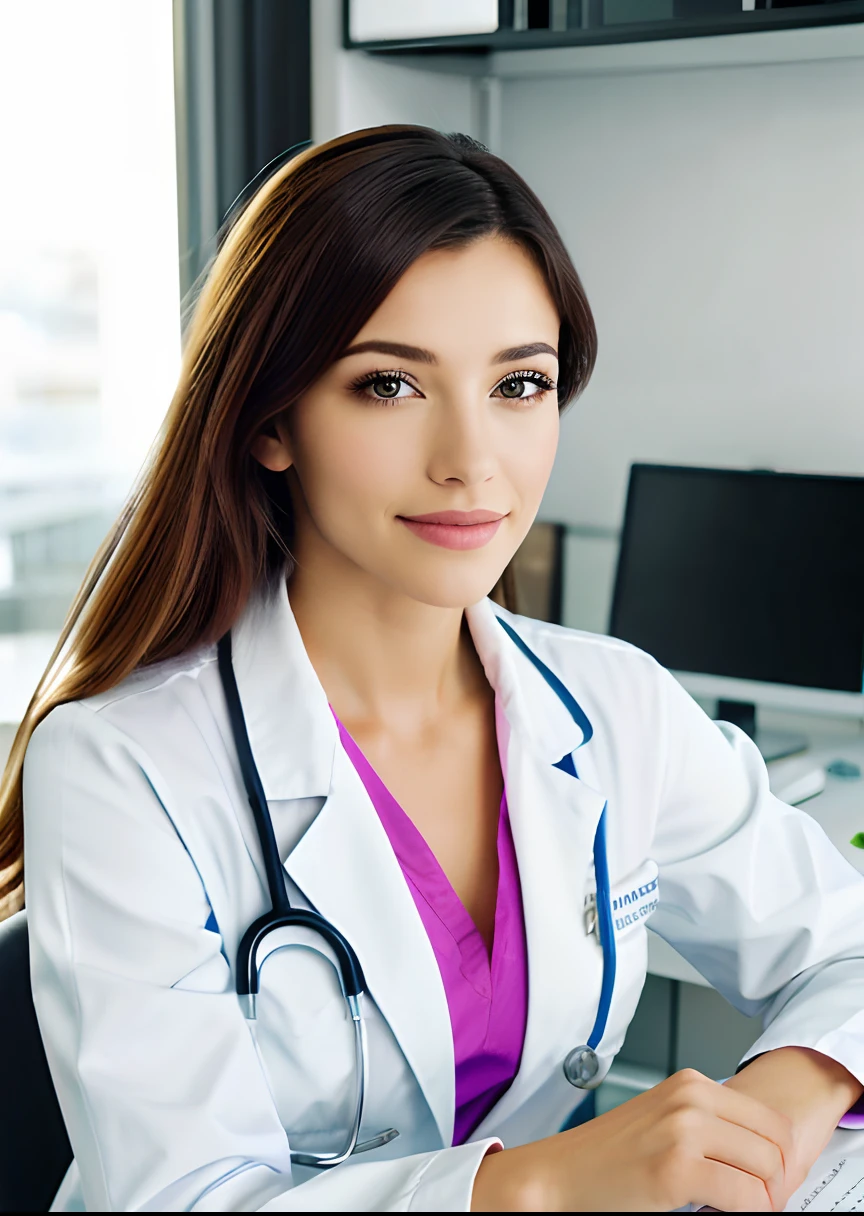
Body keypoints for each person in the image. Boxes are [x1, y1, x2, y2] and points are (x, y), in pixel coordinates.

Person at [1, 124, 862, 1213]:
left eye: (521, 384)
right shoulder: (121, 766)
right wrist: (536, 1185)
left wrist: (788, 1101)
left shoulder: (612, 706)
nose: (472, 459)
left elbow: (848, 943)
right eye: (390, 386)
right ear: (272, 422)